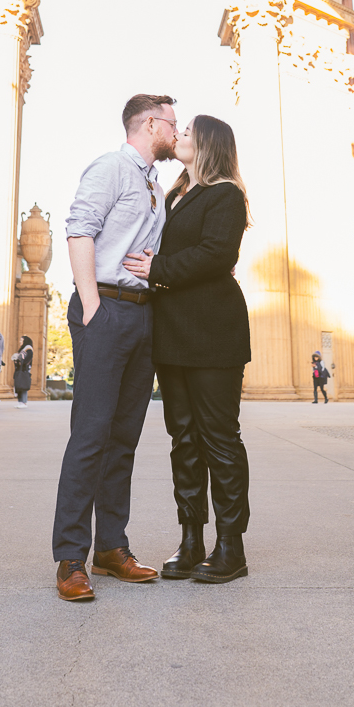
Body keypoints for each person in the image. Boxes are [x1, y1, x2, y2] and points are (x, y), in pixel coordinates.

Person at [52, 92, 177, 603]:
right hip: (105, 309)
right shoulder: (111, 167)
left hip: (143, 314)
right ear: (150, 124)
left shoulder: (155, 183)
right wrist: (91, 305)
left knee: (123, 436)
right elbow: (79, 229)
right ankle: (70, 559)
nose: (177, 129)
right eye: (173, 122)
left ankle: (111, 548)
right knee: (90, 434)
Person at [125, 113, 251, 585]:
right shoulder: (177, 196)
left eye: (188, 132)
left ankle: (231, 547)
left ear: (209, 144)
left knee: (220, 439)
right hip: (173, 334)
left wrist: (158, 268)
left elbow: (217, 254)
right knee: (184, 440)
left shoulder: (226, 195)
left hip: (213, 332)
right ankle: (191, 539)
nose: (178, 136)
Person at [12, 335, 33, 406]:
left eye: (21, 340)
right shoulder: (22, 349)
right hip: (20, 369)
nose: (20, 342)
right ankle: (20, 402)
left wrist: (20, 362)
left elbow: (27, 360)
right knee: (19, 385)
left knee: (23, 385)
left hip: (24, 370)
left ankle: (24, 402)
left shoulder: (28, 349)